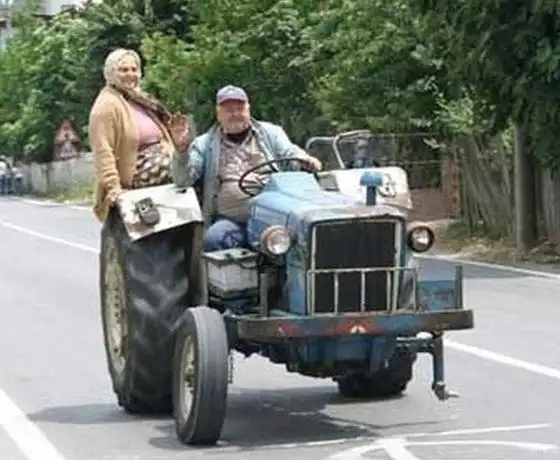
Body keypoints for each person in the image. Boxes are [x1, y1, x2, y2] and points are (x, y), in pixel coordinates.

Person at [172, 85, 322, 251]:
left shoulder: (271, 133)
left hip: (274, 218)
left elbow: (290, 153)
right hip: (234, 221)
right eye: (229, 110)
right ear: (218, 115)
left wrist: (306, 160)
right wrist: (182, 152)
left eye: (240, 108)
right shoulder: (204, 144)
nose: (235, 114)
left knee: (308, 232)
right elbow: (183, 180)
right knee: (213, 239)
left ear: (248, 109)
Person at [88, 48, 190, 222]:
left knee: (197, 164)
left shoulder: (139, 98)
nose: (130, 74)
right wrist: (114, 188)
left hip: (163, 159)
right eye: (123, 70)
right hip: (137, 171)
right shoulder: (106, 106)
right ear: (111, 73)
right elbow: (103, 151)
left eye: (134, 69)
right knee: (184, 170)